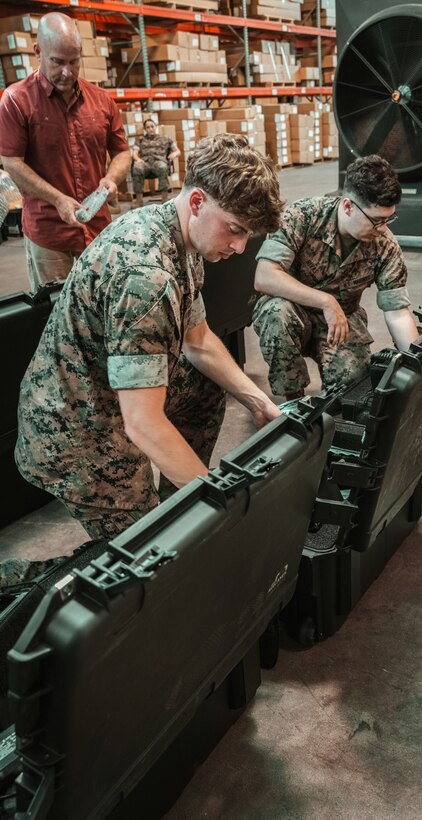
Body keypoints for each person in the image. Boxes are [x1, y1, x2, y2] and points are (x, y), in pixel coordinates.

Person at [12, 134, 283, 561]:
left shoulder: (182, 236)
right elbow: (141, 423)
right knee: (146, 556)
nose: (239, 247)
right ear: (197, 201)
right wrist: (223, 502)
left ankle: (180, 508)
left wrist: (258, 401)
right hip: (74, 429)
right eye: (235, 229)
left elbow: (198, 340)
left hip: (109, 394)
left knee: (204, 385)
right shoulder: (144, 275)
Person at [252, 154, 419, 400]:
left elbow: (397, 313)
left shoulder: (385, 245)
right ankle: (293, 404)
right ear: (348, 206)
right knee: (276, 312)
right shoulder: (303, 215)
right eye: (376, 220)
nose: (383, 228)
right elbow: (265, 276)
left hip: (342, 322)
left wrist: (420, 366)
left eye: (388, 219)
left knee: (355, 392)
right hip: (293, 311)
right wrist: (325, 301)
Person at [0, 12, 130, 292]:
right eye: (57, 62)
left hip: (98, 230)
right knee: (57, 316)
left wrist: (111, 179)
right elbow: (11, 162)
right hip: (49, 234)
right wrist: (58, 199)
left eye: (74, 62)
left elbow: (122, 152)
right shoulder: (17, 100)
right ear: (38, 52)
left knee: (101, 305)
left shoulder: (102, 100)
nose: (67, 72)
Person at [131, 118, 181, 208]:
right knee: (137, 168)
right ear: (145, 129)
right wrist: (137, 159)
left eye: (152, 126)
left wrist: (174, 154)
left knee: (162, 167)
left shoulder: (165, 139)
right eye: (148, 127)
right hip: (144, 162)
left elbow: (178, 151)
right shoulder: (140, 140)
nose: (150, 129)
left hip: (158, 161)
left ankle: (164, 199)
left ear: (155, 127)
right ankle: (139, 201)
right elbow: (134, 153)